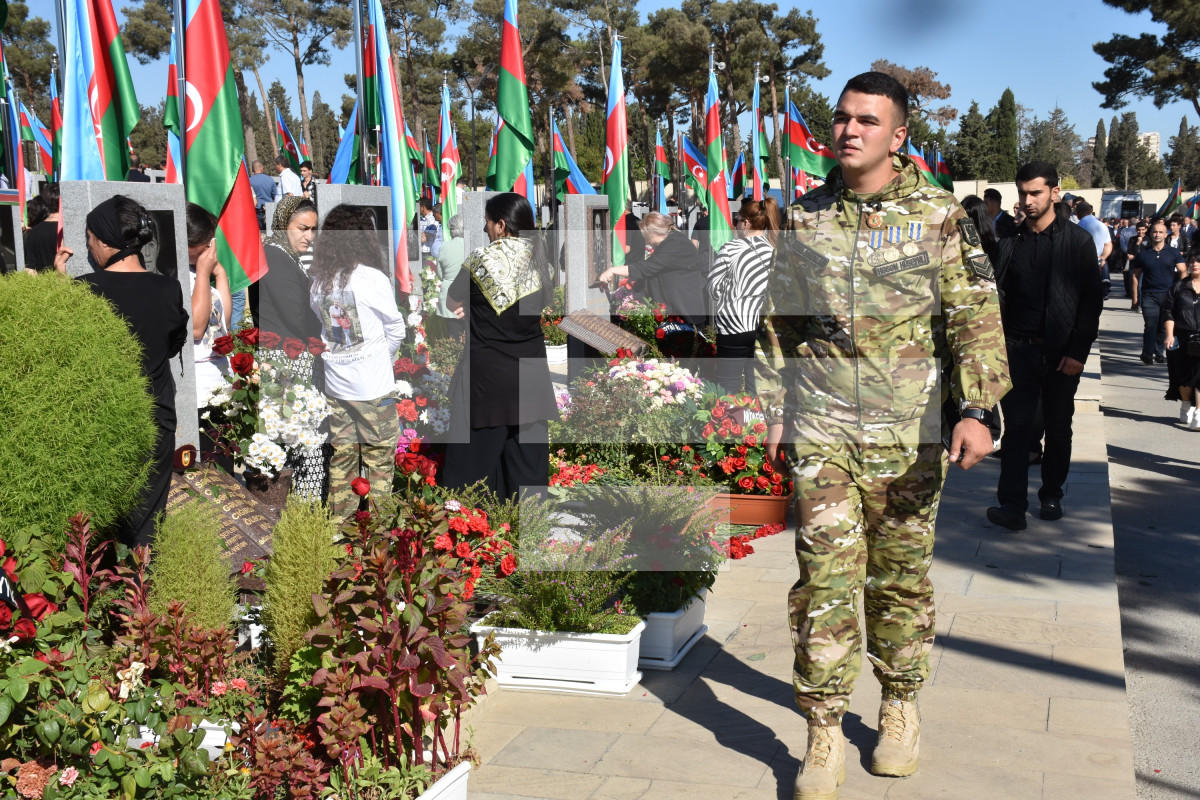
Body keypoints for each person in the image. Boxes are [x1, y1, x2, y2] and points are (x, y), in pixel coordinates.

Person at [756, 71, 1010, 799]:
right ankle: (823, 728)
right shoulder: (804, 219)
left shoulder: (939, 216)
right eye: (842, 117)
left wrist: (977, 408)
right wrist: (772, 405)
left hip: (909, 436)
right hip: (824, 430)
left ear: (898, 136)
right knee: (824, 580)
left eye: (867, 120)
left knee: (898, 579)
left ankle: (899, 703)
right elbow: (780, 323)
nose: (849, 130)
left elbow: (974, 316)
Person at [53, 195, 188, 547]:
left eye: (89, 238)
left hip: (102, 423)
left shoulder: (86, 290)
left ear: (104, 239)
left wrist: (59, 288)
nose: (88, 246)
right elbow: (172, 345)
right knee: (147, 524)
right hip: (156, 418)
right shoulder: (168, 288)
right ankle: (143, 580)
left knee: (96, 529)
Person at [985, 161, 1101, 532]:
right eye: (1022, 193)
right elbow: (993, 295)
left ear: (1054, 192)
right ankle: (1011, 506)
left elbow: (1091, 302)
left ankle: (1051, 494)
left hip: (1061, 355)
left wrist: (1078, 353)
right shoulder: (1010, 242)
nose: (1028, 200)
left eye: (1035, 192)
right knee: (1017, 430)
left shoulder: (1078, 241)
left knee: (1058, 427)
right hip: (1017, 351)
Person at [442, 192, 558, 499]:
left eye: (488, 222)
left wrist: (474, 308)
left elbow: (451, 301)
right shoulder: (542, 262)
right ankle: (530, 519)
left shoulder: (479, 261)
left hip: (486, 377)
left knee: (474, 462)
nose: (485, 229)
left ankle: (472, 522)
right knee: (526, 459)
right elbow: (542, 304)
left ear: (501, 225)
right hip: (531, 373)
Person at [308, 205, 405, 519]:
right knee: (379, 462)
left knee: (343, 459)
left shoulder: (319, 282)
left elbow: (326, 327)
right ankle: (379, 532)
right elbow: (396, 328)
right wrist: (381, 360)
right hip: (374, 387)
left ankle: (340, 526)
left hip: (338, 385)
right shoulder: (371, 278)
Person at [249, 196, 326, 499]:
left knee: (295, 438)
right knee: (292, 438)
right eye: (303, 228)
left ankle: (296, 503)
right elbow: (296, 315)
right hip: (285, 361)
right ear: (283, 225)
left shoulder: (284, 255)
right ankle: (291, 504)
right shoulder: (274, 256)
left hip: (290, 357)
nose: (310, 236)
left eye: (314, 229)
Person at [707, 197, 780, 394]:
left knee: (727, 387)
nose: (735, 225)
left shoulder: (731, 248)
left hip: (734, 324)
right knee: (756, 386)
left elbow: (713, 289)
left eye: (736, 220)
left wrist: (732, 288)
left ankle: (728, 414)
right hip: (764, 325)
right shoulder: (775, 248)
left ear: (746, 223)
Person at [598, 212, 709, 328]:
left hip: (685, 313)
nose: (647, 242)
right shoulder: (673, 240)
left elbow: (645, 268)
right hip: (678, 311)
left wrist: (612, 270)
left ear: (655, 232)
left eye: (647, 237)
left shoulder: (674, 244)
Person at [186, 204, 232, 411]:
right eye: (205, 242)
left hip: (220, 376)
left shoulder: (199, 271)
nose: (210, 247)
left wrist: (220, 274)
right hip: (199, 385)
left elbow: (223, 322)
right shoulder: (182, 276)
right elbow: (196, 329)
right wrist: (204, 274)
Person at [1131, 218, 1186, 364]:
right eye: (1155, 232)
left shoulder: (1173, 252)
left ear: (1166, 234)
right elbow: (1135, 276)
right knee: (1150, 325)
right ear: (1150, 234)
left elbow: (1183, 271)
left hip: (1168, 295)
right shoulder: (1143, 254)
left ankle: (1159, 352)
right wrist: (1135, 297)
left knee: (1163, 325)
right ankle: (1147, 353)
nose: (1157, 234)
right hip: (1149, 295)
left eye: (1161, 232)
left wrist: (1181, 291)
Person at [1164, 253, 1200, 430]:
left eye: (1198, 261)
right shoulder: (1179, 287)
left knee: (1199, 376)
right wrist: (1169, 335)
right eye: (1192, 261)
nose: (1195, 264)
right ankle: (1186, 404)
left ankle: (1199, 414)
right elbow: (1168, 312)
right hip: (1182, 336)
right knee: (1183, 375)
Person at [436, 213, 467, 337]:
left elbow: (440, 273)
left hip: (449, 294)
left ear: (452, 230)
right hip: (467, 293)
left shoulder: (444, 247)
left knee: (453, 336)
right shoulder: (471, 245)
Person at [1074, 201, 1113, 298]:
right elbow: (1108, 245)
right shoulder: (1102, 226)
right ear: (1090, 211)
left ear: (1077, 212)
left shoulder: (1077, 227)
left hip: (1082, 264)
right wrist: (1102, 258)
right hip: (1097, 262)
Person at [24, 183, 61, 272]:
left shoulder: (33, 232)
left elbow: (30, 269)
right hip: (71, 280)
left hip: (43, 279)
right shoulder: (68, 230)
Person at [249, 160, 277, 231]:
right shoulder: (270, 180)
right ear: (262, 168)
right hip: (269, 208)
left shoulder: (249, 181)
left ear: (252, 169)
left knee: (258, 232)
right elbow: (275, 196)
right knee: (270, 232)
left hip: (256, 210)